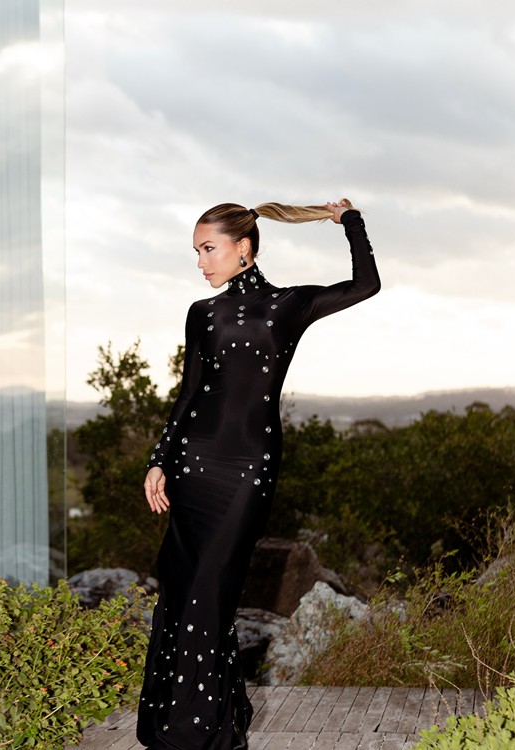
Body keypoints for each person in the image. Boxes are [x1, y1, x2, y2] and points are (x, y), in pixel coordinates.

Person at [137, 199, 381, 749]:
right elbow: (189, 394)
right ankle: (198, 726)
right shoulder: (202, 313)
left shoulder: (290, 305)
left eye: (208, 248)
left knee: (211, 590)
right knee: (182, 589)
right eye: (197, 251)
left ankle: (199, 733)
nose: (200, 261)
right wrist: (159, 459)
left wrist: (350, 222)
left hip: (248, 468)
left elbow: (367, 284)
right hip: (193, 465)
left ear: (243, 247)